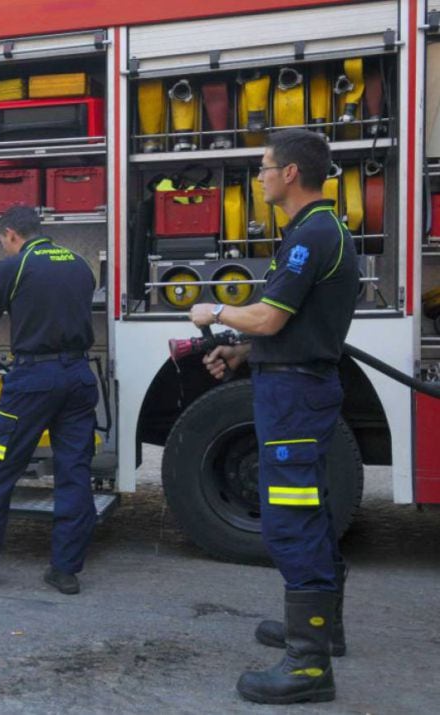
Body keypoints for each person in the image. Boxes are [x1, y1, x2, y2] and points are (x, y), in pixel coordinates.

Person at [189, 128, 358, 705]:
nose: (259, 176)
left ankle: (308, 668)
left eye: (264, 167)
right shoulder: (318, 231)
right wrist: (240, 353)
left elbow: (270, 319)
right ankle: (322, 629)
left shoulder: (311, 235)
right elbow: (293, 326)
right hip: (297, 386)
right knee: (312, 508)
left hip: (295, 398)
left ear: (290, 174)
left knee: (290, 519)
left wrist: (214, 310)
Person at [0, 205, 100, 595]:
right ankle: (65, 571)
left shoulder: (13, 266)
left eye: (3, 241)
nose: (5, 247)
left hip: (33, 381)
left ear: (11, 234)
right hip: (80, 378)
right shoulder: (79, 264)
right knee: (74, 473)